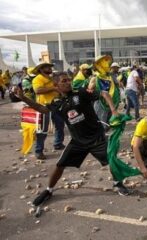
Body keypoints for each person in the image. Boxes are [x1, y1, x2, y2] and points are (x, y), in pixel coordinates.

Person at [13, 72, 130, 208]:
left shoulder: (80, 93)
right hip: (78, 142)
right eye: (64, 81)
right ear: (56, 85)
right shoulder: (57, 103)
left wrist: (114, 111)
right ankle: (49, 190)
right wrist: (22, 97)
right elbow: (40, 108)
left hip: (96, 137)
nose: (68, 82)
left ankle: (118, 183)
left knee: (111, 160)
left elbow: (104, 93)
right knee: (59, 165)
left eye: (69, 80)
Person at [32, 63, 65, 159]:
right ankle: (39, 151)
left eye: (50, 67)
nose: (50, 68)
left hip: (54, 105)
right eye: (47, 67)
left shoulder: (50, 78)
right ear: (41, 69)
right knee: (43, 130)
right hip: (43, 107)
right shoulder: (37, 79)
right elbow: (38, 90)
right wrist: (53, 88)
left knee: (60, 124)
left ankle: (58, 143)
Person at [90, 55, 120, 130]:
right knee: (100, 125)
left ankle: (103, 138)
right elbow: (90, 90)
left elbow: (115, 87)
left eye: (107, 62)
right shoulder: (95, 78)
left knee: (107, 124)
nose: (106, 65)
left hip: (110, 104)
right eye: (104, 62)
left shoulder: (109, 77)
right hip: (100, 103)